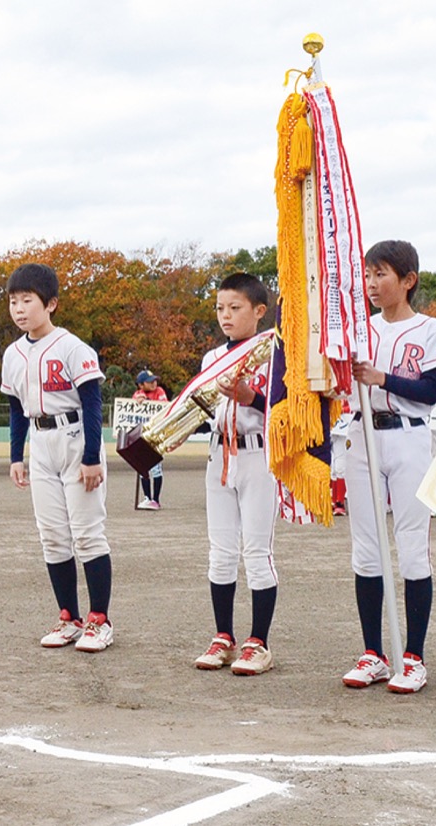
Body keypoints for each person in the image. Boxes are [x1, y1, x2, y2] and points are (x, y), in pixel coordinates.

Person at [341, 240, 436, 695]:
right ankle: (374, 652)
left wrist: (381, 378)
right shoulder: (357, 330)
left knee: (411, 548)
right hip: (361, 434)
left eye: (381, 274)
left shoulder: (430, 329)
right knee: (366, 549)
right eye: (367, 275)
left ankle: (414, 656)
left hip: (410, 435)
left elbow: (431, 391)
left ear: (408, 280)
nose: (371, 283)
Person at [1, 263, 113, 653]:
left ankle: (100, 619)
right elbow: (17, 409)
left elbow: (92, 402)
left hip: (75, 436)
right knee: (52, 537)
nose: (18, 309)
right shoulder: (12, 354)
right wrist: (17, 455)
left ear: (50, 304)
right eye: (13, 301)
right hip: (40, 441)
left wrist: (92, 456)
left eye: (27, 300)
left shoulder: (72, 346)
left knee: (86, 533)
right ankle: (69, 617)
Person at [194, 273, 278, 675]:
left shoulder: (275, 352)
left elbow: (286, 412)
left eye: (235, 308)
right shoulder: (212, 358)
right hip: (219, 454)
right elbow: (201, 407)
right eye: (220, 308)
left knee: (257, 554)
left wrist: (253, 397)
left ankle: (258, 642)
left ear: (259, 311)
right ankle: (223, 636)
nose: (225, 316)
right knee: (221, 553)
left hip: (259, 455)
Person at [132, 369, 168, 509]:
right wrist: (139, 401)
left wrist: (148, 401)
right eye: (150, 381)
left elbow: (163, 406)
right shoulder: (138, 394)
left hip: (156, 436)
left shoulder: (159, 392)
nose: (154, 383)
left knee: (156, 468)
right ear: (141, 385)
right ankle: (147, 497)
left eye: (154, 380)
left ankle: (156, 499)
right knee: (143, 469)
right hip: (142, 437)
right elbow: (133, 404)